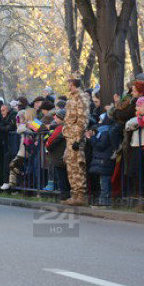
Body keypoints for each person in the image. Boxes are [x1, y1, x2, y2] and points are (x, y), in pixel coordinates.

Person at [61, 75, 91, 206]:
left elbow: (83, 118)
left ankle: (81, 195)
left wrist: (78, 139)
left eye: (68, 81)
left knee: (78, 166)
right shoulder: (71, 97)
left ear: (72, 82)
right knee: (71, 166)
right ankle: (74, 194)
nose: (67, 84)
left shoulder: (81, 97)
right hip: (69, 136)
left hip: (76, 137)